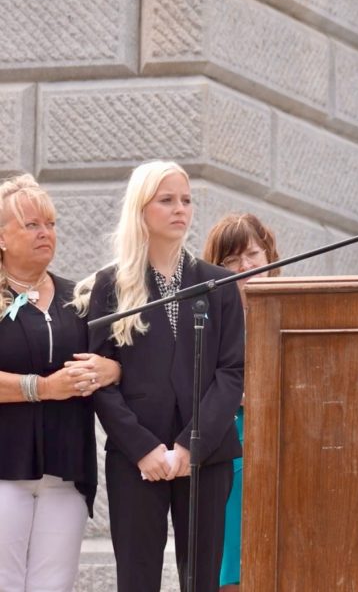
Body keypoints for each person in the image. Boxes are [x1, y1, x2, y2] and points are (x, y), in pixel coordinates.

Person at [79, 161, 245, 592]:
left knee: (201, 580)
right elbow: (100, 379)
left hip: (207, 457)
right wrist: (143, 449)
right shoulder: (111, 285)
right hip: (136, 458)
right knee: (136, 579)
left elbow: (231, 373)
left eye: (186, 200)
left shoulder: (218, 285)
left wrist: (191, 446)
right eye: (167, 200)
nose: (180, 209)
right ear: (141, 208)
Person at [0, 175, 120, 591]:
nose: (45, 233)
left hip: (66, 472)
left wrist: (112, 370)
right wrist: (45, 388)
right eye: (31, 224)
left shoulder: (80, 299)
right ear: (1, 238)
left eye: (50, 224)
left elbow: (119, 360)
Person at [202, 213, 281, 591]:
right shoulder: (206, 322)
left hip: (284, 451)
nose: (245, 266)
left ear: (270, 256)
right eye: (232, 260)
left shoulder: (290, 312)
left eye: (252, 254)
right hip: (230, 450)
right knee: (232, 565)